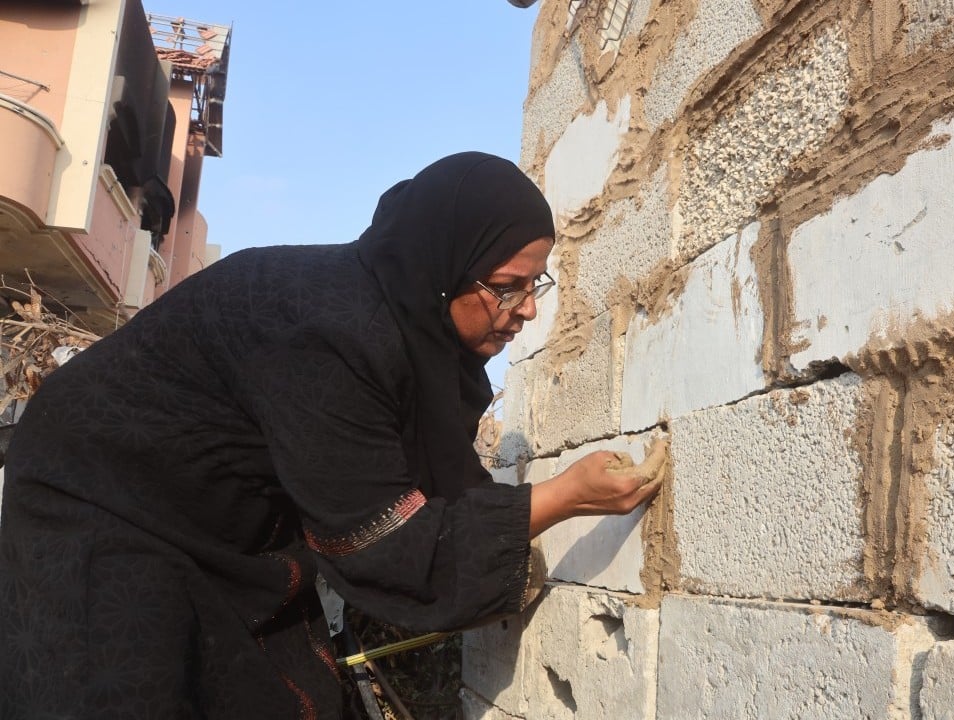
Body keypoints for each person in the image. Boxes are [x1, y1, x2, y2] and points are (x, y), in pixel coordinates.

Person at [0, 152, 663, 719]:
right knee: (125, 678)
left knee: (266, 682)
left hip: (207, 509)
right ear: (442, 268)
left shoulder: (402, 327)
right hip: (98, 495)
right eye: (505, 288)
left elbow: (424, 488)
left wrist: (508, 526)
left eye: (533, 284)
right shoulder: (328, 336)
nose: (527, 310)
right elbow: (382, 541)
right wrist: (564, 499)